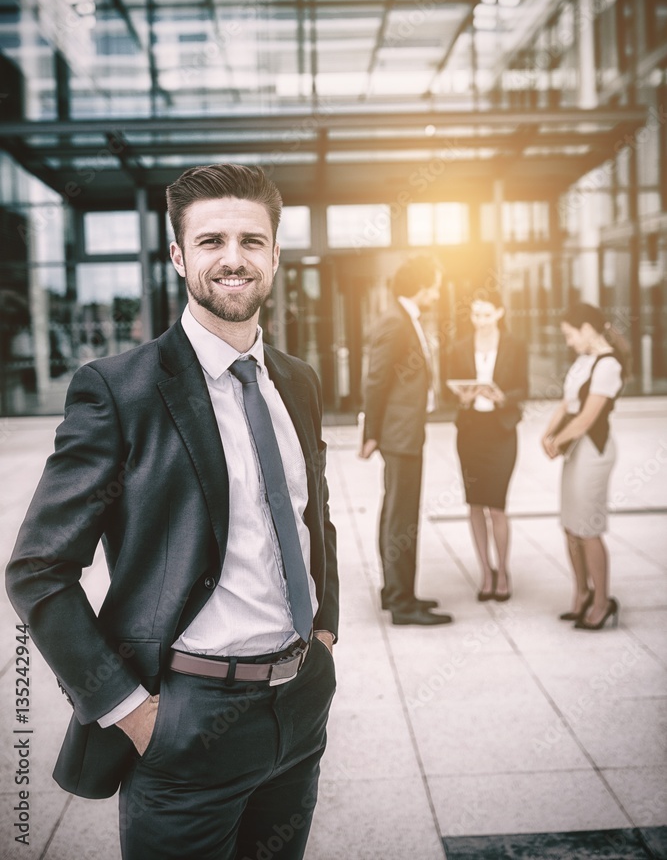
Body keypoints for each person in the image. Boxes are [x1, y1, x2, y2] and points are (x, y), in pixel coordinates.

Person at [5, 164, 339, 860]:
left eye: (252, 240)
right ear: (179, 256)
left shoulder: (298, 381)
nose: (233, 258)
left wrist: (324, 632)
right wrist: (133, 712)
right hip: (187, 718)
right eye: (211, 240)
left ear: (275, 254)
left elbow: (312, 514)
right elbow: (39, 569)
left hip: (299, 706)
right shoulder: (119, 392)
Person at [359, 255, 453, 626]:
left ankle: (396, 593)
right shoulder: (396, 322)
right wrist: (371, 435)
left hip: (404, 434)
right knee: (402, 519)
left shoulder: (404, 319)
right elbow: (375, 381)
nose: (439, 291)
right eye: (436, 283)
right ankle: (402, 602)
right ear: (421, 285)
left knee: (396, 515)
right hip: (401, 437)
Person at [541, 302, 626, 631]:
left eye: (570, 334)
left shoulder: (608, 365)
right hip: (576, 450)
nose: (568, 341)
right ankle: (582, 593)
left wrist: (556, 441)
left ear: (587, 329)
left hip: (593, 450)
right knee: (570, 526)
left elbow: (588, 418)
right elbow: (567, 404)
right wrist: (548, 433)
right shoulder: (583, 361)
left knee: (588, 529)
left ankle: (603, 602)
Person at [447, 290, 527, 602]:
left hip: (501, 433)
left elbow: (524, 388)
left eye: (485, 314)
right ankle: (485, 571)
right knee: (475, 504)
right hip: (470, 433)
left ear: (499, 313)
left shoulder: (515, 346)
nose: (479, 321)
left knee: (497, 506)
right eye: (475, 314)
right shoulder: (459, 347)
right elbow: (448, 387)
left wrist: (503, 397)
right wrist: (463, 397)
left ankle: (503, 571)